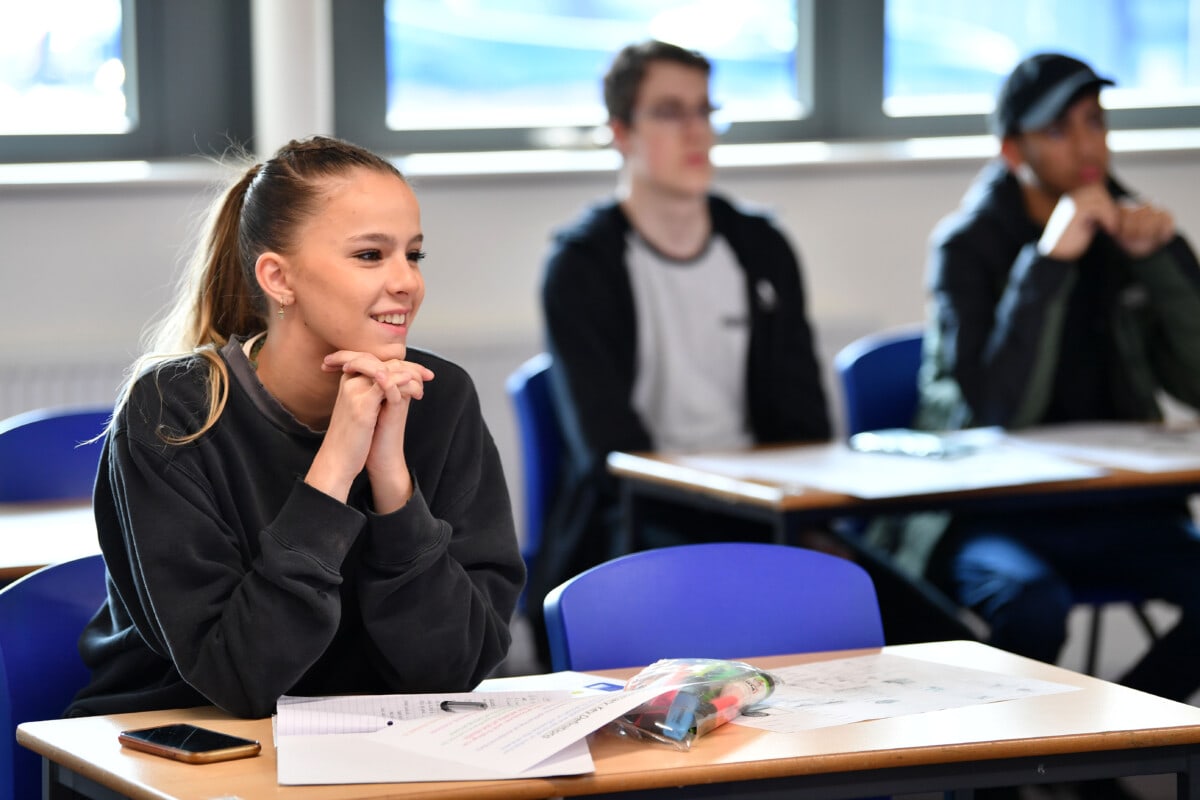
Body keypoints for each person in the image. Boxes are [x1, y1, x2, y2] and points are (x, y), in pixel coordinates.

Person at [530, 39, 974, 665]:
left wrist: (793, 522)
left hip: (768, 517)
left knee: (950, 648)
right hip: (638, 525)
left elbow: (805, 424)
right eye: (671, 112)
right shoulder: (582, 264)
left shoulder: (760, 247)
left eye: (706, 111)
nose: (697, 132)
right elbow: (607, 450)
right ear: (620, 132)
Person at [67, 136, 524, 719]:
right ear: (279, 279)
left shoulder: (439, 396)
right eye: (369, 255)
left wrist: (391, 482)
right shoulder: (172, 410)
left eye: (413, 254)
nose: (406, 281)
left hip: (367, 744)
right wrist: (336, 464)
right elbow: (241, 679)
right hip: (177, 739)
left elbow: (453, 669)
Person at [886, 53, 1200, 706]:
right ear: (1011, 150)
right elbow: (997, 408)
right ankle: (1015, 773)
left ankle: (1109, 745)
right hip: (992, 514)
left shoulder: (1131, 229)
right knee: (1030, 606)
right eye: (1057, 130)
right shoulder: (967, 246)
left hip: (1118, 505)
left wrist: (1165, 268)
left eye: (1093, 122)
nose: (1085, 146)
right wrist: (1050, 263)